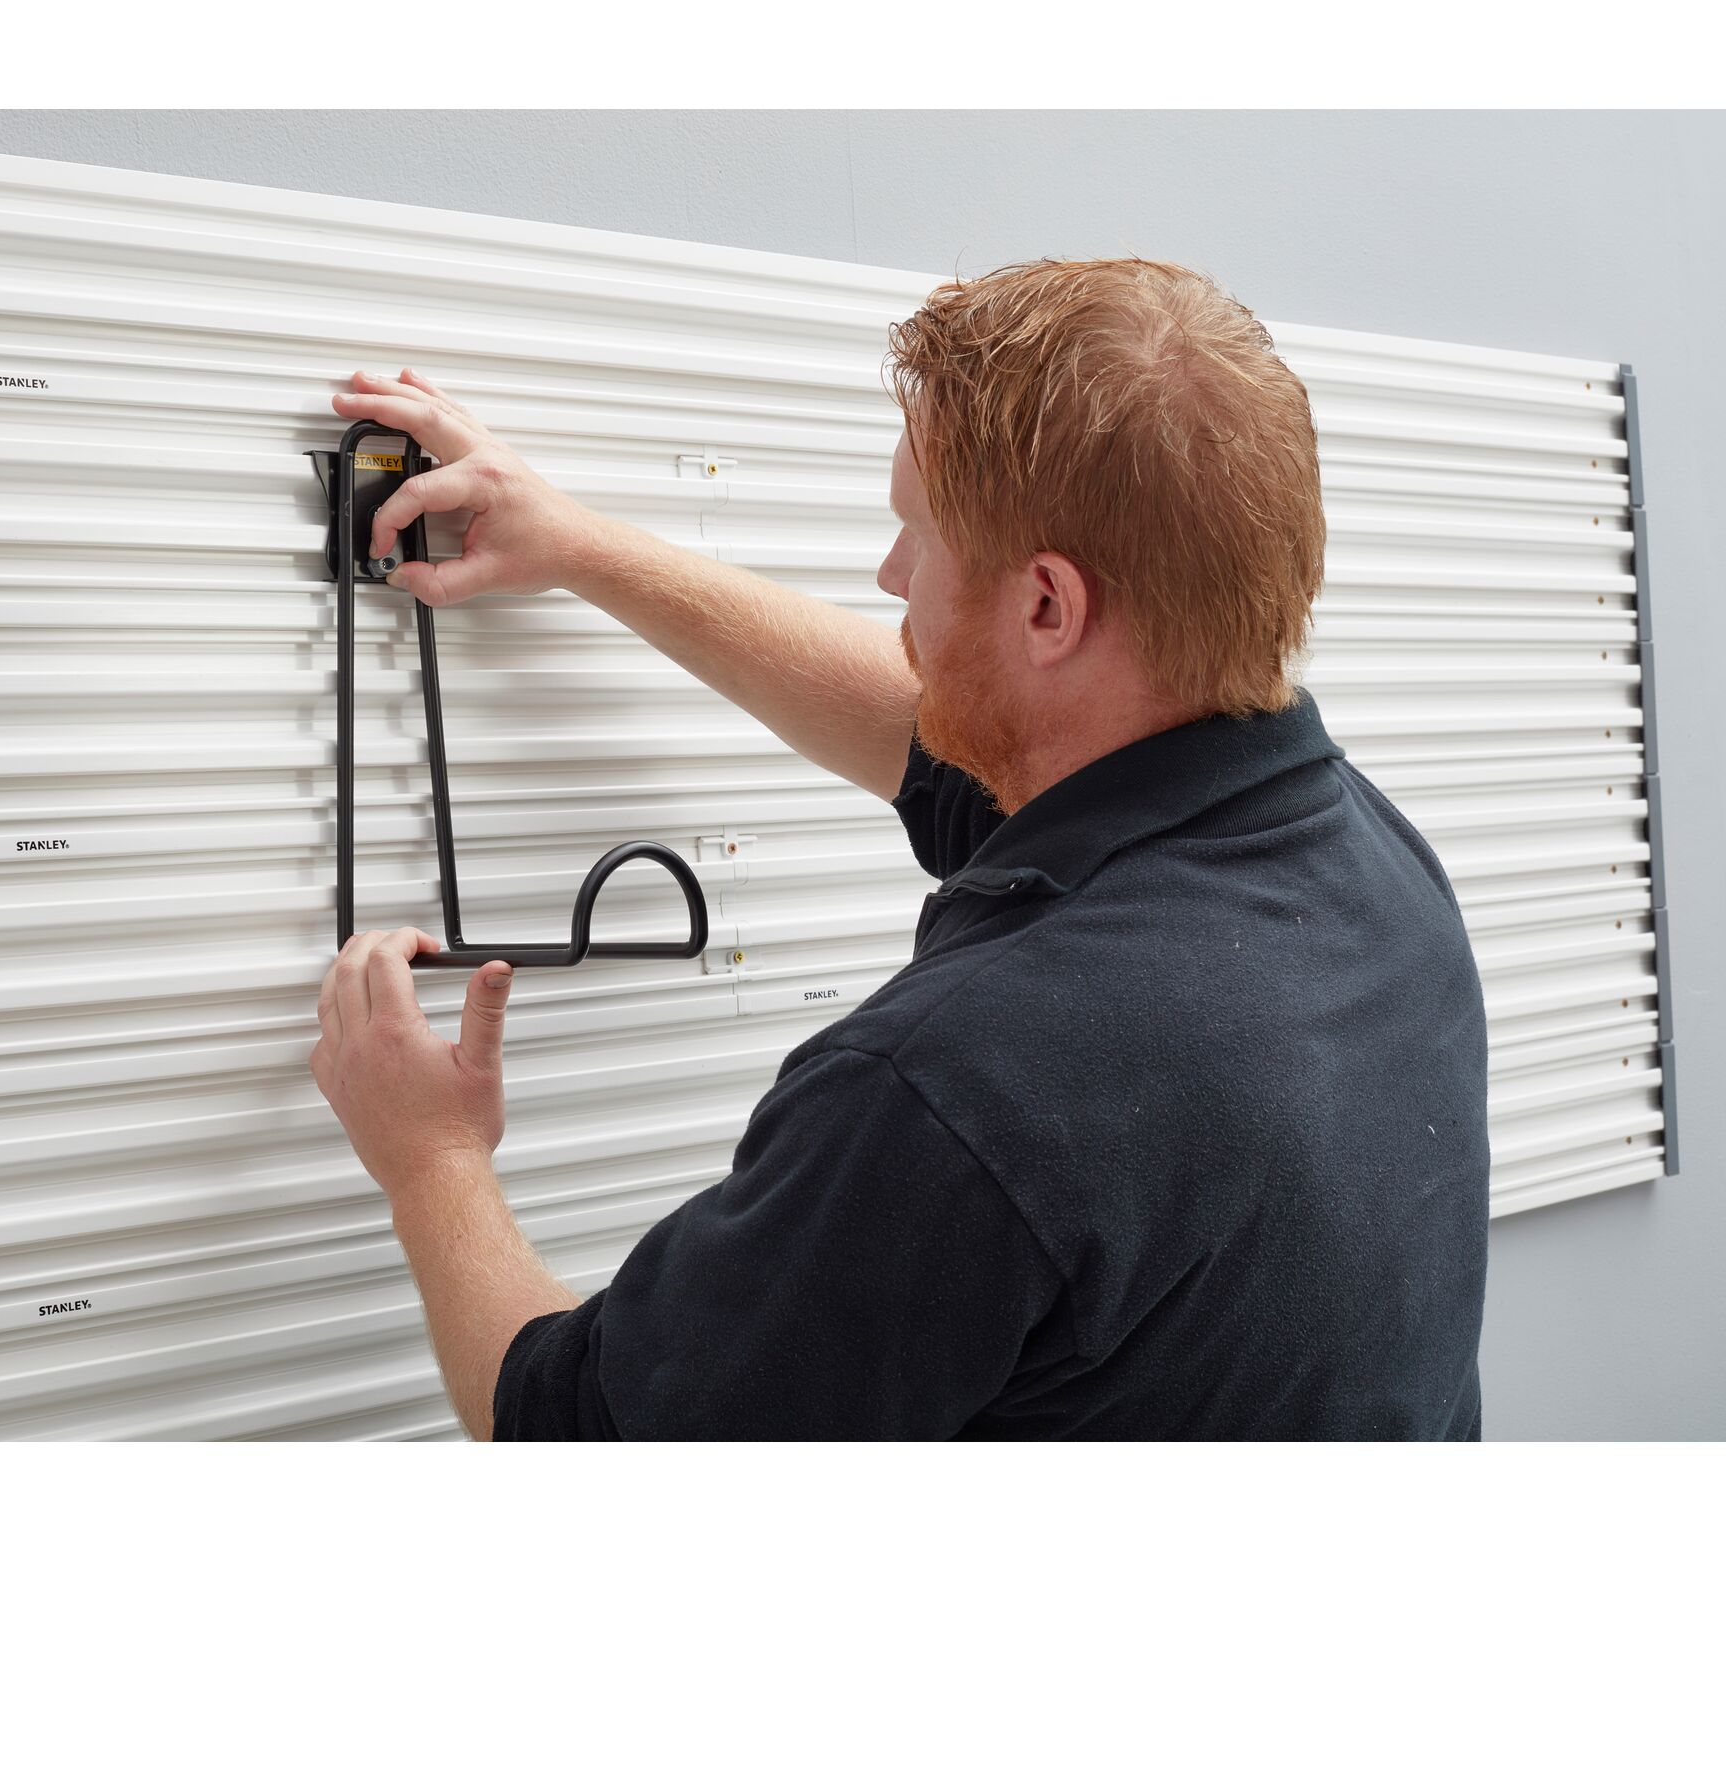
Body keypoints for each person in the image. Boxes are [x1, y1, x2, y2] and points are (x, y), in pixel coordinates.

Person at [309, 256, 1490, 1441]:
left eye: (914, 537)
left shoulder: (960, 1085)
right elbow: (932, 732)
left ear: (1047, 607)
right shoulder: (1368, 872)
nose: (889, 576)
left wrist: (431, 1156)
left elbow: (572, 1437)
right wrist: (579, 547)